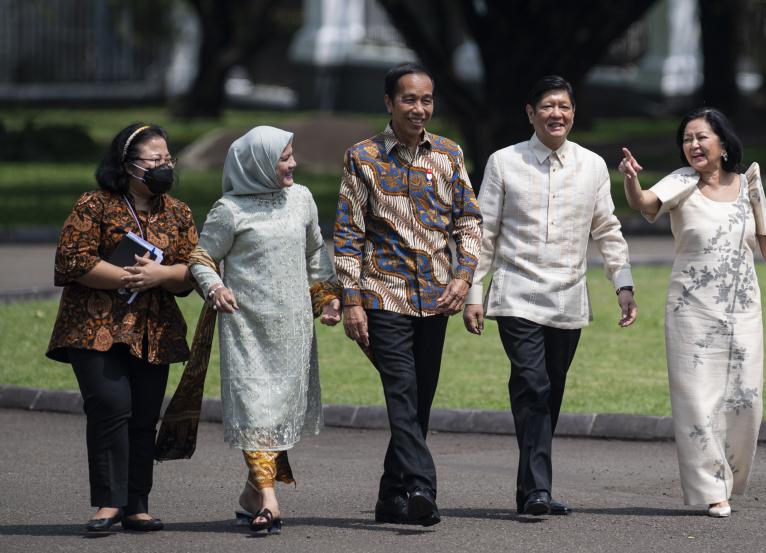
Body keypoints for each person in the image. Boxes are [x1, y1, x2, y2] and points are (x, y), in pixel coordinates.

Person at [617, 107, 766, 517]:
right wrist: (631, 180)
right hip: (690, 311)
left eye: (701, 137)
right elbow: (644, 202)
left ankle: (729, 477)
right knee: (696, 403)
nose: (693, 145)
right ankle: (712, 490)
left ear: (723, 143)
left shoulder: (748, 184)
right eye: (687, 139)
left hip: (743, 310)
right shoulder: (681, 183)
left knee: (746, 401)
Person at [463, 75, 638, 517]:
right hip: (516, 292)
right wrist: (473, 293)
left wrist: (623, 284)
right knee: (532, 384)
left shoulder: (593, 166)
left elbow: (607, 230)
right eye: (547, 106)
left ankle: (530, 489)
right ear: (530, 112)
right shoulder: (504, 162)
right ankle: (538, 488)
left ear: (574, 112)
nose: (556, 114)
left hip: (568, 299)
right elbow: (483, 233)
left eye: (564, 106)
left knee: (550, 391)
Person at [334, 62, 482, 526]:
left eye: (426, 100)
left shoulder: (449, 154)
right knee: (401, 391)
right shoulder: (363, 156)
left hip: (436, 295)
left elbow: (469, 220)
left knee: (419, 399)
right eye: (409, 100)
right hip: (384, 294)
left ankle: (388, 497)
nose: (419, 109)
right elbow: (347, 233)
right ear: (389, 103)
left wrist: (463, 277)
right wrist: (353, 300)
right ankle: (422, 487)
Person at [188, 126, 341, 533]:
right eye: (284, 157)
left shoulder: (302, 199)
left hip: (292, 330)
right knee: (256, 411)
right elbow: (202, 258)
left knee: (279, 416)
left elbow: (315, 254)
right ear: (257, 164)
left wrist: (327, 299)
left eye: (292, 156)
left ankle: (251, 493)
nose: (293, 164)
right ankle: (270, 502)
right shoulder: (229, 209)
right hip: (246, 330)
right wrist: (216, 286)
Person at [46, 123, 198, 532]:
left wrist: (161, 276)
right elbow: (73, 261)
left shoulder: (178, 212)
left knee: (145, 416)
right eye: (154, 160)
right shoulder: (94, 205)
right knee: (110, 407)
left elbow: (192, 271)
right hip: (95, 327)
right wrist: (131, 277)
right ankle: (107, 504)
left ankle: (136, 504)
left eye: (168, 159)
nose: (163, 167)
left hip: (154, 332)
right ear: (127, 165)